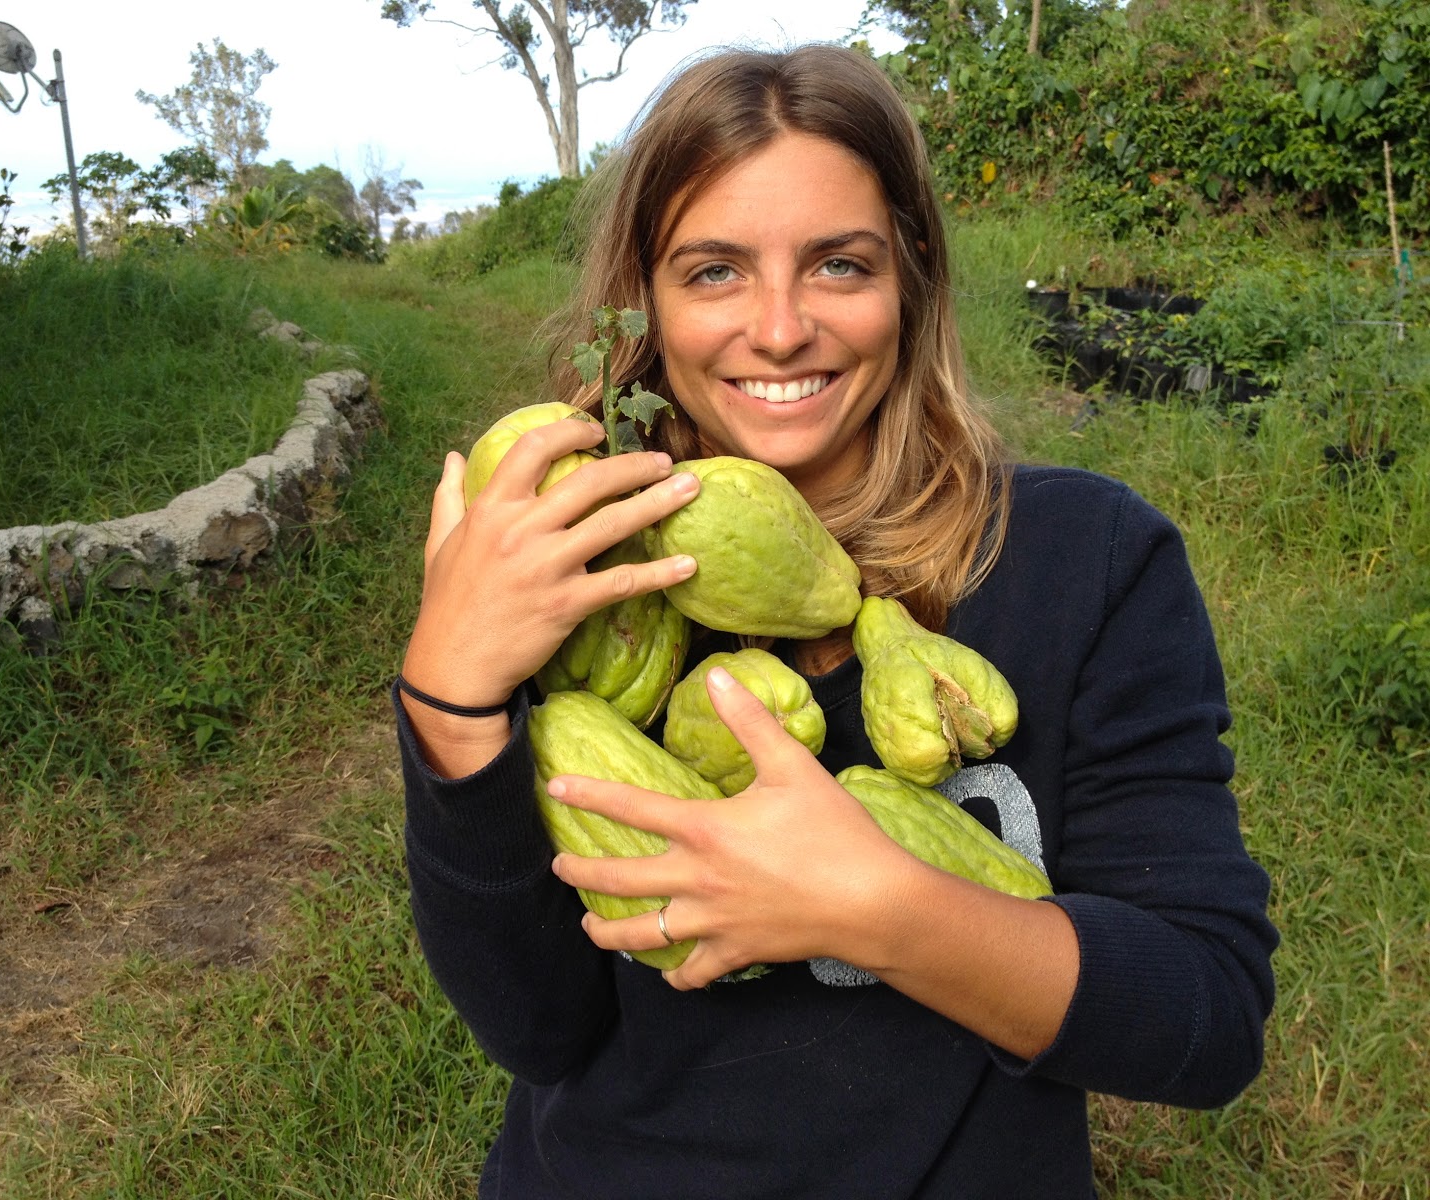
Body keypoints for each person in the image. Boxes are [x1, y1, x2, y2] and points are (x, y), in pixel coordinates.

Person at [394, 44, 1278, 1199]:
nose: (777, 331)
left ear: (911, 275)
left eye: (837, 266)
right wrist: (449, 702)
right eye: (712, 271)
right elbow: (539, 1030)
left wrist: (880, 908)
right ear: (643, 304)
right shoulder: (572, 582)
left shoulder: (1083, 561)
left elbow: (1206, 1017)